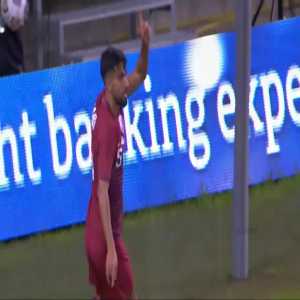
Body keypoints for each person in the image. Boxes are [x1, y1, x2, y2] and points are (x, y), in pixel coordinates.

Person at [85, 12, 150, 300]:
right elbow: (101, 191)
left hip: (102, 232)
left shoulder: (109, 99)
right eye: (122, 77)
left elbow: (141, 75)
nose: (127, 82)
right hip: (104, 238)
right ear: (110, 80)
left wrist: (145, 45)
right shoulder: (108, 131)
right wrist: (111, 249)